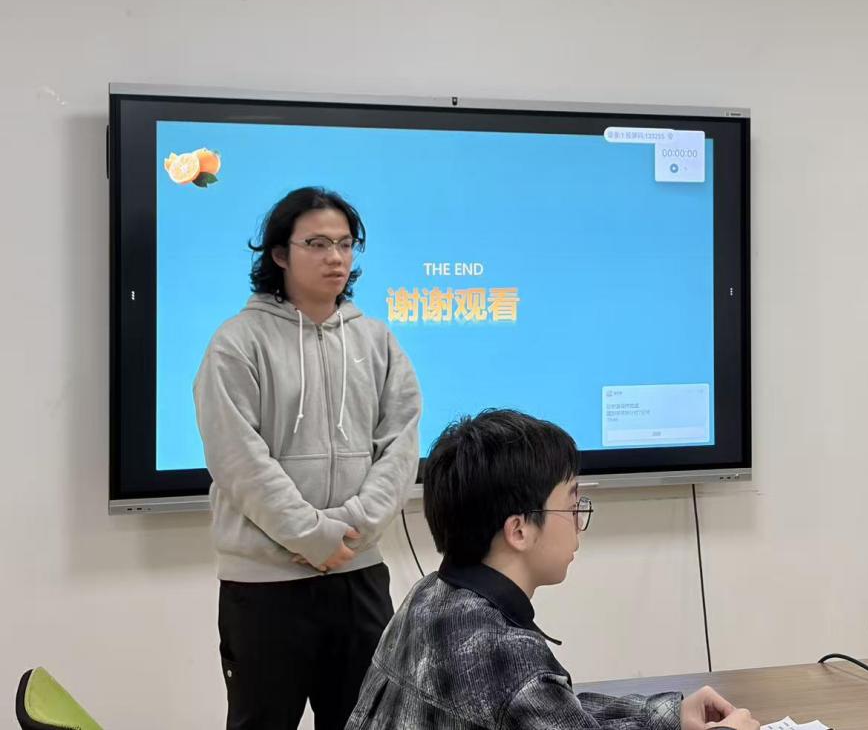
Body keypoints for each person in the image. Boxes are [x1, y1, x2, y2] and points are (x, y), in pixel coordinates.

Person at [346, 408, 760, 730]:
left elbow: (553, 708)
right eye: (571, 503)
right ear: (519, 530)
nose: (579, 519)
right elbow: (536, 698)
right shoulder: (505, 655)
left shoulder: (429, 594)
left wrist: (667, 716)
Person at [195, 186, 422, 729]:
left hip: (358, 576)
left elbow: (400, 445)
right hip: (265, 584)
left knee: (364, 721)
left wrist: (351, 529)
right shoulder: (237, 342)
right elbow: (238, 459)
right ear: (280, 253)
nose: (335, 258)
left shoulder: (377, 341)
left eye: (345, 244)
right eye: (317, 244)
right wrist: (310, 535)